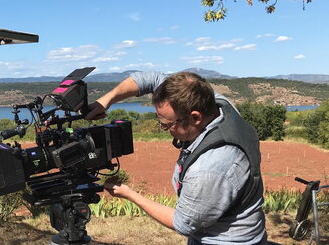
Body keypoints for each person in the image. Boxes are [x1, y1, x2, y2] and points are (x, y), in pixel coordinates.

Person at [85, 71, 267, 244]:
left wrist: (130, 194)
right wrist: (106, 100)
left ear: (195, 117)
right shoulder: (217, 105)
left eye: (167, 124)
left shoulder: (209, 168)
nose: (164, 129)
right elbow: (150, 79)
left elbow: (183, 223)